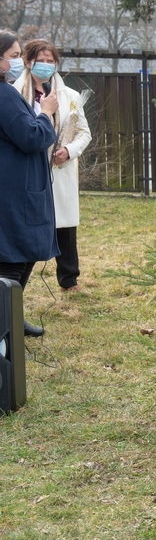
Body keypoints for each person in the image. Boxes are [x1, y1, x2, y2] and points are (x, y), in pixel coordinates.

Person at [14, 39, 91, 293]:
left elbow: (84, 133)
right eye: (41, 61)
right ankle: (16, 281)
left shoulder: (70, 96)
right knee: (29, 224)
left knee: (65, 227)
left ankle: (69, 279)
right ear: (27, 61)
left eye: (51, 61)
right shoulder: (14, 94)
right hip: (27, 170)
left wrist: (68, 151)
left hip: (60, 170)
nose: (47, 66)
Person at [0, 30, 60, 337]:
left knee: (23, 256)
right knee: (12, 260)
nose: (16, 62)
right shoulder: (5, 94)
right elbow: (32, 137)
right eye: (12, 56)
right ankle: (5, 324)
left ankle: (12, 317)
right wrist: (46, 113)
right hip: (13, 194)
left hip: (15, 189)